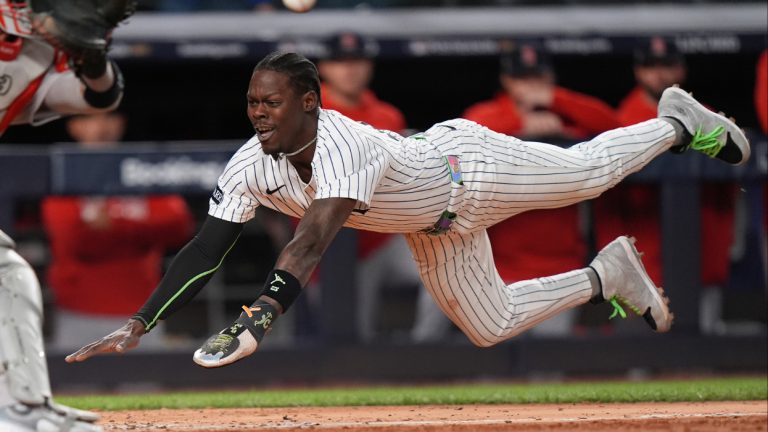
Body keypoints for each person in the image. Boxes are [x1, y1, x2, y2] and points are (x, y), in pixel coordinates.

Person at [65, 51, 750, 371]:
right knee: (491, 325)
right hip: (431, 229)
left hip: (466, 171)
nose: (259, 113)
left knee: (588, 175)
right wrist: (139, 322)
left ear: (310, 101)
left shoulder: (340, 138)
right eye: (252, 103)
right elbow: (205, 248)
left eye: (271, 101)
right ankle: (606, 277)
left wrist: (262, 314)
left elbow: (313, 237)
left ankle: (677, 122)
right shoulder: (251, 162)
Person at [0, 1, 131, 430]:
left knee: (7, 274)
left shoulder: (35, 61)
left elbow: (99, 96)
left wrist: (91, 56)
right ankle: (21, 407)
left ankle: (23, 404)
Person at [463, 43, 620, 334]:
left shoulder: (570, 115)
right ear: (507, 81)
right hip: (501, 267)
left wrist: (560, 115)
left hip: (557, 266)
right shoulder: (490, 116)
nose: (532, 87)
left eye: (538, 78)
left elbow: (615, 126)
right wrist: (519, 124)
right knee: (496, 366)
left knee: (548, 367)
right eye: (523, 79)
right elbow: (465, 134)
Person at [317, 32, 441, 342]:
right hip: (330, 247)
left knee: (445, 272)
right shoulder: (307, 113)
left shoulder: (387, 115)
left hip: (383, 235)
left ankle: (422, 358)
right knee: (348, 338)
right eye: (340, 61)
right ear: (324, 68)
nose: (350, 69)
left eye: (356, 61)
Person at [42, 113, 193, 351]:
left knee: (144, 388)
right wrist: (141, 232)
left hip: (141, 313)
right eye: (90, 119)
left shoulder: (142, 170)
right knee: (75, 388)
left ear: (121, 123)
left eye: (109, 118)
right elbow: (75, 241)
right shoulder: (64, 171)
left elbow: (178, 226)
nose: (101, 127)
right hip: (78, 311)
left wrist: (111, 225)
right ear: (74, 126)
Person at [596, 37, 735, 295]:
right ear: (638, 71)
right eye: (651, 66)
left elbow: (725, 196)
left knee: (703, 333)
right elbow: (607, 207)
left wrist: (718, 257)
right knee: (639, 335)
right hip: (643, 266)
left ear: (681, 69)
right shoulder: (620, 123)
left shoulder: (707, 117)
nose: (659, 74)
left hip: (699, 262)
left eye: (667, 65)